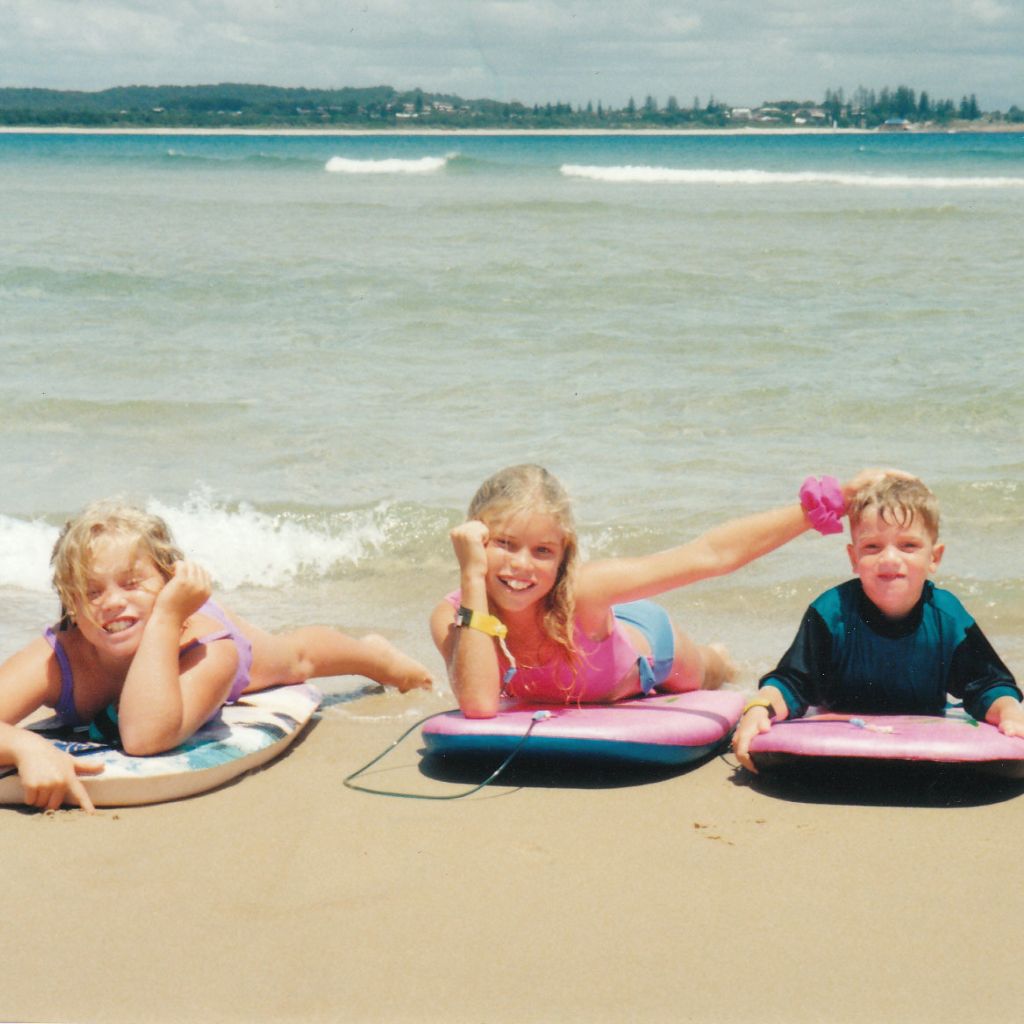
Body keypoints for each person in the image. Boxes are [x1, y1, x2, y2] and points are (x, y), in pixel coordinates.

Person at [0, 499, 433, 812]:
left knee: (294, 660)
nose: (111, 602)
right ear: (72, 607)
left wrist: (170, 615)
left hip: (184, 637)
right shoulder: (59, 657)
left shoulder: (209, 646)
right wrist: (24, 746)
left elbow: (145, 738)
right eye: (92, 592)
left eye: (132, 583)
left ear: (170, 585)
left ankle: (373, 655)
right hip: (166, 622)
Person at [431, 464, 878, 719]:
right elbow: (478, 703)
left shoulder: (583, 591)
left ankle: (718, 656)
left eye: (542, 551)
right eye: (504, 544)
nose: (521, 566)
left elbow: (709, 555)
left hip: (646, 652)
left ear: (563, 553)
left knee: (704, 673)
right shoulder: (454, 616)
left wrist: (828, 501)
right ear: (474, 538)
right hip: (598, 659)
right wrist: (472, 576)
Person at [732, 473, 1024, 772]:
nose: (889, 559)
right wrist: (759, 709)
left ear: (934, 557)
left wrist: (1009, 712)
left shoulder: (947, 617)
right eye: (872, 547)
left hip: (921, 747)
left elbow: (987, 684)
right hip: (840, 739)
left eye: (908, 545)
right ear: (853, 556)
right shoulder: (831, 613)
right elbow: (792, 683)